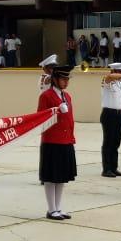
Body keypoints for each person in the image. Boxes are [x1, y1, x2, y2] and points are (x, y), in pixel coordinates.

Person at [38, 65, 77, 220]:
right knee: (51, 176)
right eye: (63, 79)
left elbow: (70, 120)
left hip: (66, 140)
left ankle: (58, 208)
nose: (66, 82)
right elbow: (41, 119)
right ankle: (51, 209)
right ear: (54, 79)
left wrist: (71, 137)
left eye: (67, 79)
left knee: (61, 176)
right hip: (52, 140)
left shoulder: (67, 96)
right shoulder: (46, 96)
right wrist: (56, 111)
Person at [100, 62, 121, 178]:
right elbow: (109, 77)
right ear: (114, 72)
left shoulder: (120, 84)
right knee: (108, 142)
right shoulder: (107, 81)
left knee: (116, 142)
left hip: (118, 114)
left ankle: (114, 167)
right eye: (119, 72)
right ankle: (106, 169)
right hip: (109, 113)